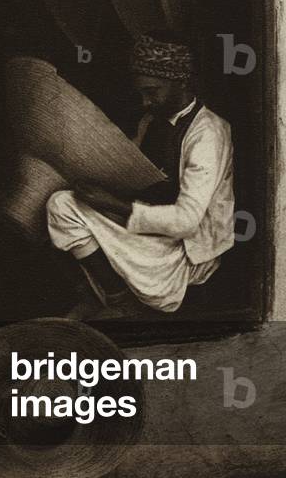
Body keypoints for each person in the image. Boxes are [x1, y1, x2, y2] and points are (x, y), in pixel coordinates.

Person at [46, 34, 235, 315]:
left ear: (181, 82)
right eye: (141, 93)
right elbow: (130, 172)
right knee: (61, 204)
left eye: (152, 91)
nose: (146, 101)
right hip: (151, 226)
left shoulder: (208, 133)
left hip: (185, 250)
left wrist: (110, 204)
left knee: (74, 210)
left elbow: (186, 221)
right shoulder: (151, 121)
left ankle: (124, 306)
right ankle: (117, 296)